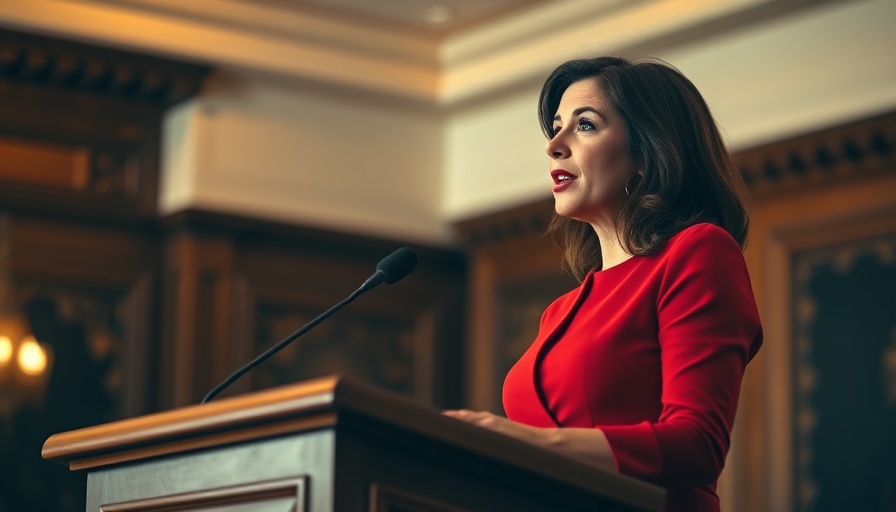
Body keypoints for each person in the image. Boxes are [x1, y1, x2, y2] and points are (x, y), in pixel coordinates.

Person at [444, 56, 763, 512]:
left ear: (646, 151)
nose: (554, 145)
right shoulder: (559, 311)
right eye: (555, 128)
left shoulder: (699, 252)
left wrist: (527, 443)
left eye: (586, 125)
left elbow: (698, 445)